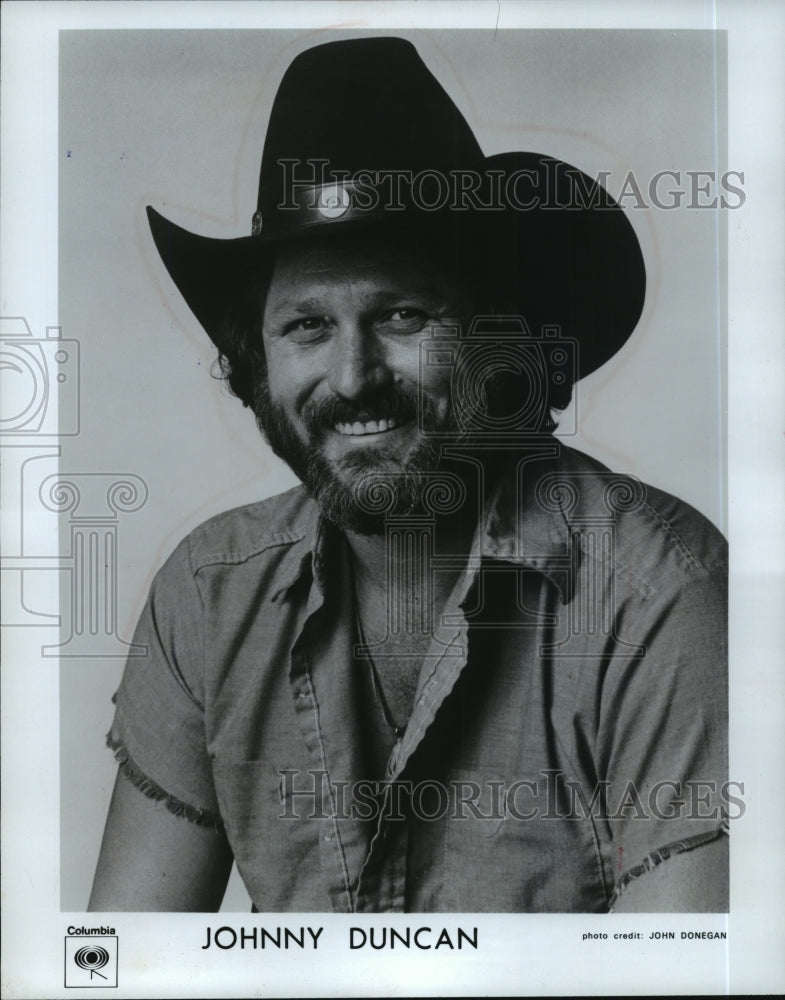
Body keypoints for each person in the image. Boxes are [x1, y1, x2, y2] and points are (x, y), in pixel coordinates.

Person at [89, 37, 728, 913]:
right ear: (255, 362)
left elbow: (680, 977)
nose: (352, 379)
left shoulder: (660, 587)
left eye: (401, 315)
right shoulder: (208, 590)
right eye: (305, 327)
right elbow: (119, 967)